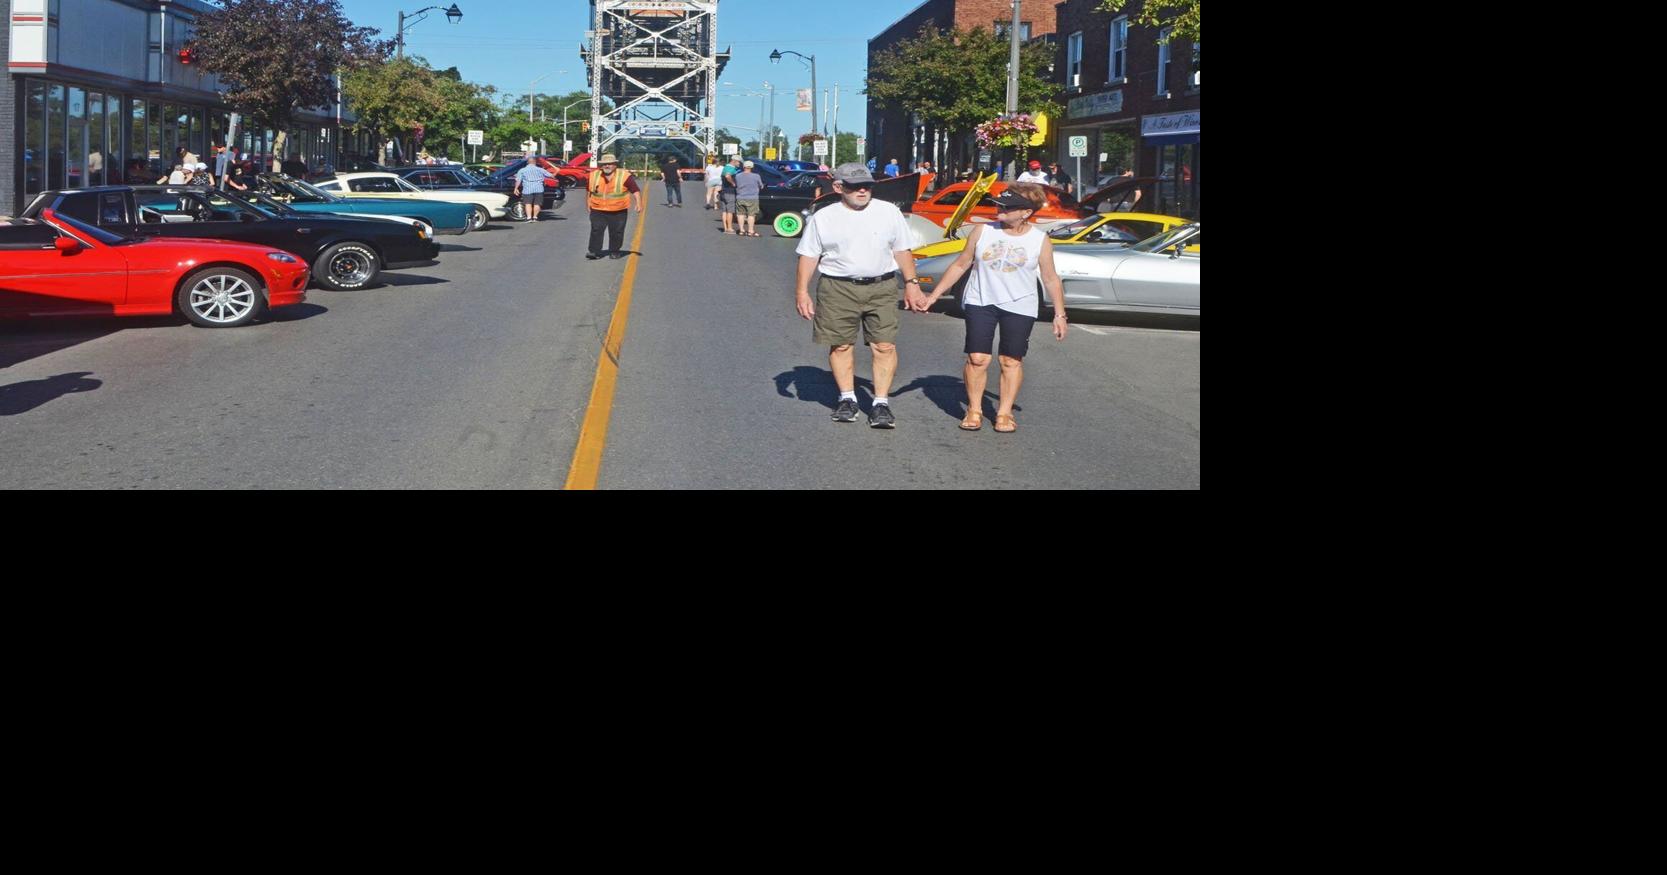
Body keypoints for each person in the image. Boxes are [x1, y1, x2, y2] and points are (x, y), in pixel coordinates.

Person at [919, 184, 1067, 434]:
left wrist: (1059, 314)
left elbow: (1050, 278)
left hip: (1020, 304)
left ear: (1025, 212)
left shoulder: (1039, 240)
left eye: (1006, 207)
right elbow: (961, 264)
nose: (999, 209)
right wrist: (933, 295)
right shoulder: (983, 231)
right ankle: (974, 409)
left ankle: (1004, 412)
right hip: (981, 300)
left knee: (1010, 360)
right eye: (998, 204)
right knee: (978, 359)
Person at [794, 162, 929, 429]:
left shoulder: (888, 212)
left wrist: (912, 283)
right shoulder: (824, 217)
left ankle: (880, 403)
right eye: (855, 187)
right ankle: (847, 398)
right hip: (837, 287)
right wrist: (802, 292)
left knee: (884, 345)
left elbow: (902, 250)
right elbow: (809, 255)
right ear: (838, 187)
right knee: (841, 344)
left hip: (882, 286)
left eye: (867, 185)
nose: (862, 191)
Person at [585, 153, 642, 260]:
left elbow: (635, 190)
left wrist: (639, 204)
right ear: (601, 165)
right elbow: (589, 191)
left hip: (618, 210)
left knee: (617, 231)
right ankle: (594, 251)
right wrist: (588, 203)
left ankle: (614, 251)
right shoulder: (594, 175)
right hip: (598, 209)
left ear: (615, 165)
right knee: (596, 230)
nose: (607, 166)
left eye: (610, 164)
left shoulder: (624, 176)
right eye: (605, 164)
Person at [733, 159, 764, 236]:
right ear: (752, 167)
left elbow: (736, 185)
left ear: (744, 167)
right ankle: (750, 231)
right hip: (752, 198)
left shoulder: (738, 176)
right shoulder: (756, 176)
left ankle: (741, 230)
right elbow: (761, 186)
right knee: (751, 215)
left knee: (740, 214)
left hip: (740, 197)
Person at [719, 155, 741, 234]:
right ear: (734, 161)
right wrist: (733, 183)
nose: (739, 164)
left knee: (724, 211)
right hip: (730, 192)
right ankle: (729, 228)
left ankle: (725, 228)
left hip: (723, 191)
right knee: (730, 211)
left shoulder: (725, 167)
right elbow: (728, 176)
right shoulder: (731, 169)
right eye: (738, 162)